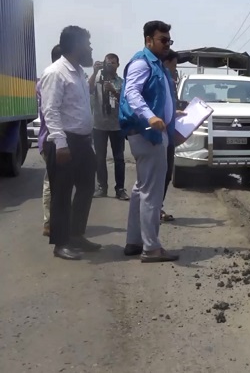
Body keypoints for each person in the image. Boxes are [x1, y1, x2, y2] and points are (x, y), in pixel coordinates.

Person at [119, 20, 179, 262]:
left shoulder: (156, 65)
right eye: (162, 40)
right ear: (148, 40)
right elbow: (131, 93)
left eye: (169, 40)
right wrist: (151, 116)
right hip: (148, 134)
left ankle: (134, 242)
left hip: (151, 132)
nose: (167, 44)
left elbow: (158, 97)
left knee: (140, 190)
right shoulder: (142, 63)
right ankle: (151, 247)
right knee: (152, 193)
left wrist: (174, 113)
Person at [39, 26, 99, 260]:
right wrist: (61, 143)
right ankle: (60, 243)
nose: (91, 48)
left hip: (83, 142)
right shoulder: (55, 72)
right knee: (62, 194)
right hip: (64, 142)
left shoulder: (78, 73)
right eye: (88, 43)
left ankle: (76, 235)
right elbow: (50, 110)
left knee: (86, 188)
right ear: (76, 45)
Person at [89, 53, 129, 200]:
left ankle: (120, 189)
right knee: (99, 158)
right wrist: (94, 72)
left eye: (113, 63)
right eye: (107, 63)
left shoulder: (121, 82)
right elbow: (88, 89)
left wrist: (113, 90)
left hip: (117, 126)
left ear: (118, 65)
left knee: (119, 158)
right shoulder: (98, 80)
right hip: (99, 125)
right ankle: (102, 187)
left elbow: (126, 101)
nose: (110, 65)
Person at [38, 44, 62, 237]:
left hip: (61, 140)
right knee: (51, 182)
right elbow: (51, 112)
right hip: (52, 140)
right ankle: (49, 222)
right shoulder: (52, 77)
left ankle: (57, 221)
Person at [160, 49, 179, 222]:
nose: (175, 69)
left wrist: (176, 112)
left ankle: (158, 207)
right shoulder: (160, 80)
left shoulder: (169, 81)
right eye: (174, 65)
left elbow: (168, 107)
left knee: (166, 174)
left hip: (169, 133)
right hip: (160, 135)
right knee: (159, 175)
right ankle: (155, 210)